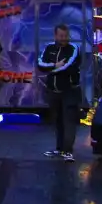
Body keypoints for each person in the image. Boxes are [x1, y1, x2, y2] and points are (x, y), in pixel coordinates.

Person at [35, 23, 83, 161]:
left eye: (66, 36)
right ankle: (59, 148)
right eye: (61, 36)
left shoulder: (74, 49)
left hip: (70, 91)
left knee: (69, 121)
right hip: (53, 91)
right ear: (56, 35)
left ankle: (68, 151)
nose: (64, 38)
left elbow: (67, 67)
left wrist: (50, 69)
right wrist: (54, 65)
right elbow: (40, 64)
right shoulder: (49, 48)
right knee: (57, 121)